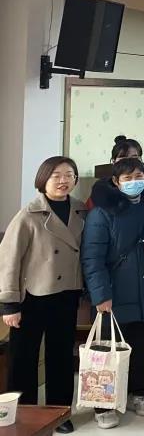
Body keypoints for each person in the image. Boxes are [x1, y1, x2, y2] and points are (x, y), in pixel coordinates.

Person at [0, 157, 87, 433]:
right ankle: (23, 415)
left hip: (67, 294)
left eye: (69, 175)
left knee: (61, 356)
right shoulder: (28, 214)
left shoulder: (81, 210)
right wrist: (9, 304)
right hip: (32, 296)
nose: (63, 181)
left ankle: (59, 412)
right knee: (23, 359)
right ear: (43, 180)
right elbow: (9, 261)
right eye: (56, 176)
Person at [81, 157, 144, 429]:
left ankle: (139, 393)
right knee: (107, 349)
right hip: (113, 294)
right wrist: (100, 294)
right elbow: (92, 258)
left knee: (142, 346)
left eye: (139, 176)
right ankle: (103, 404)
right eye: (127, 178)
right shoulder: (101, 213)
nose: (134, 182)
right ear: (116, 182)